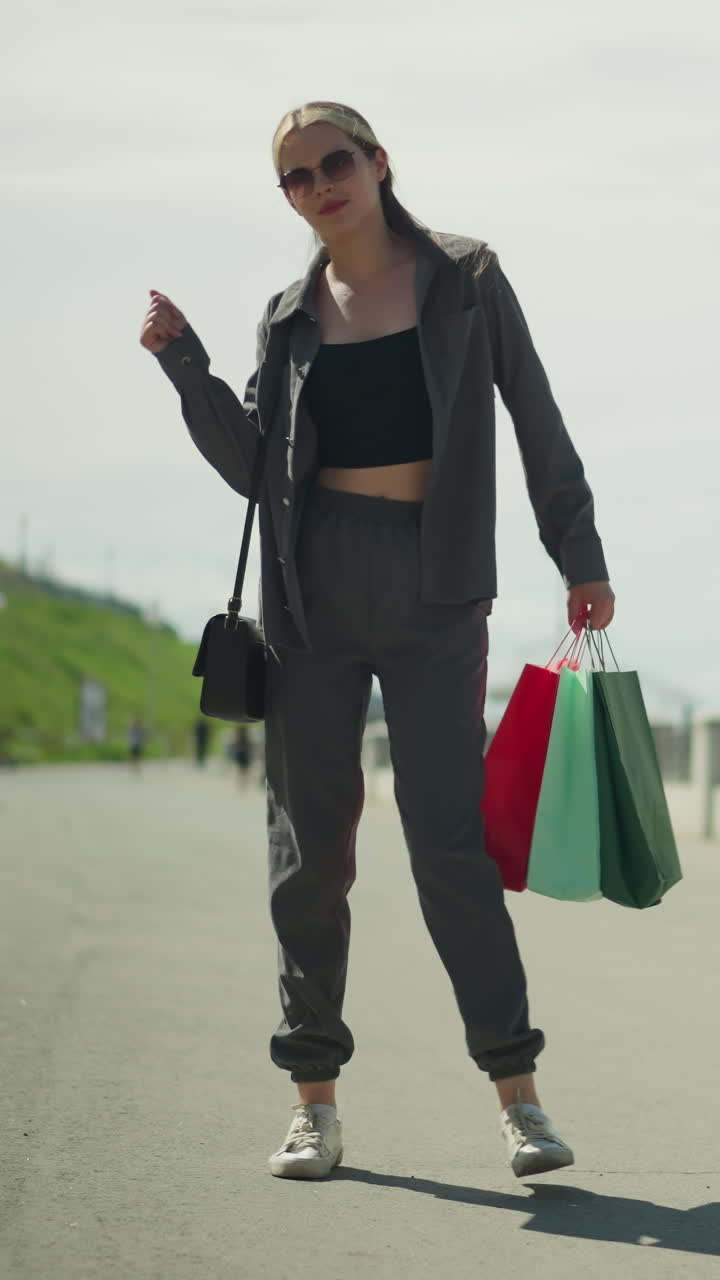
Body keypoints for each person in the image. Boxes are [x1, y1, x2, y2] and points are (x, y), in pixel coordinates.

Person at [140, 101, 615, 1182]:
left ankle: (519, 1094)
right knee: (310, 848)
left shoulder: (466, 280)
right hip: (313, 593)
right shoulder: (287, 315)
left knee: (448, 843)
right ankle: (315, 1101)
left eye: (334, 161)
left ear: (379, 160)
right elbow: (257, 466)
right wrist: (186, 367)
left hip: (436, 588)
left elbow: (534, 416)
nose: (319, 185)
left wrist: (577, 554)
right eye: (296, 178)